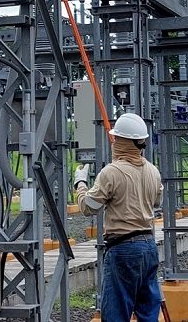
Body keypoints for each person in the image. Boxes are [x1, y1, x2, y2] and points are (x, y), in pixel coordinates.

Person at [74, 113, 164, 322]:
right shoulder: (153, 171)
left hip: (123, 248)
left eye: (116, 139)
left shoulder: (112, 172)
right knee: (148, 310)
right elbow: (157, 202)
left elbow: (88, 207)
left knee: (116, 311)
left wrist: (80, 184)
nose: (113, 142)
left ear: (121, 141)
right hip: (149, 245)